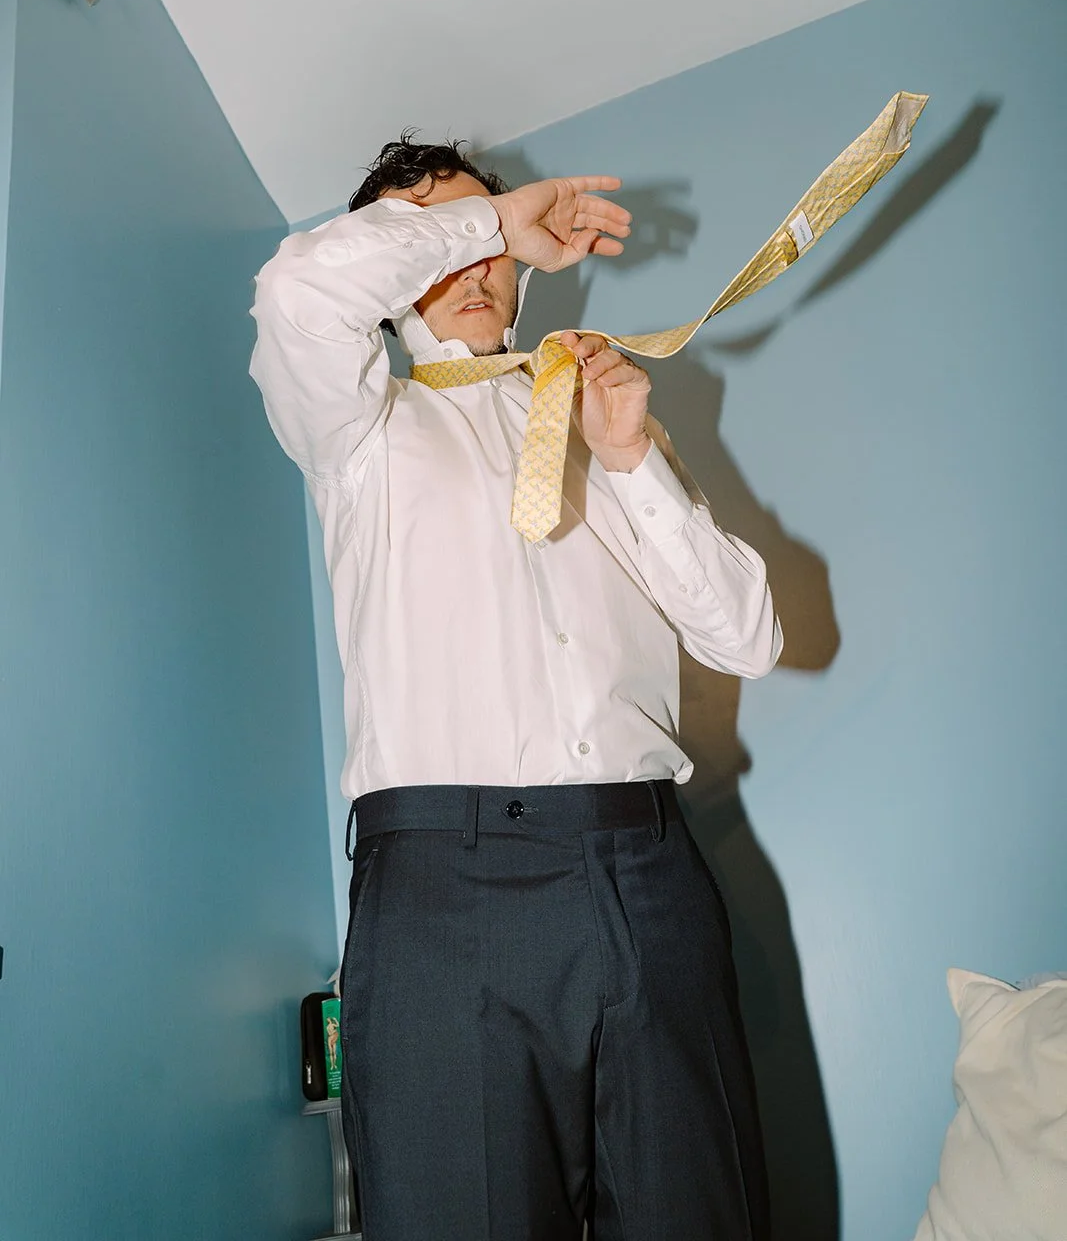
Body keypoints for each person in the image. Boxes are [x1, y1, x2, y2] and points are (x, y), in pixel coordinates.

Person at [250, 135, 783, 1241]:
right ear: (393, 268)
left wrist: (631, 460)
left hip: (647, 875)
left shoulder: (602, 434)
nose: (479, 260)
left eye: (489, 234)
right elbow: (298, 286)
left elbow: (747, 636)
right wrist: (492, 218)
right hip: (444, 895)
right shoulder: (360, 434)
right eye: (433, 234)